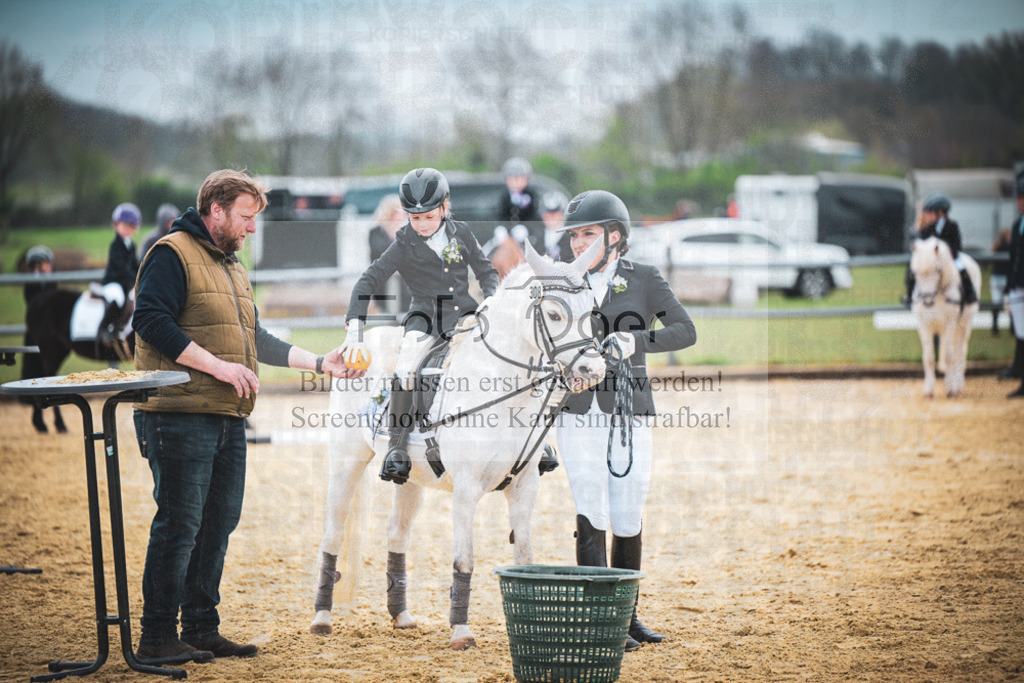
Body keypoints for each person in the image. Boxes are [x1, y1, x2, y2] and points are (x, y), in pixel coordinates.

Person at [131, 169, 347, 662]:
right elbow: (149, 321)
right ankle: (157, 635)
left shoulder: (231, 267)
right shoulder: (171, 254)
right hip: (179, 411)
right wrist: (218, 367)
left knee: (218, 523)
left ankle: (201, 627)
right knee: (181, 522)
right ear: (216, 210)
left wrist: (319, 364)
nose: (252, 228)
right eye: (246, 218)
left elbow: (257, 339)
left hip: (226, 413)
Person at [552, 190, 697, 651]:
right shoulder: (561, 280)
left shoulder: (645, 277)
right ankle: (599, 622)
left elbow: (685, 330)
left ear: (615, 236)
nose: (577, 244)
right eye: (574, 236)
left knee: (629, 510)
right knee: (591, 506)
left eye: (587, 234)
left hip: (629, 409)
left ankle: (626, 616)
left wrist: (637, 341)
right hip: (577, 411)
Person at [341, 168, 499, 485]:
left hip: (467, 315)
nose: (423, 225)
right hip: (424, 318)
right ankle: (397, 448)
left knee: (501, 355)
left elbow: (486, 271)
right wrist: (355, 326)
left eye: (428, 217)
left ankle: (527, 439)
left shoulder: (462, 233)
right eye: (415, 219)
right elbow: (367, 280)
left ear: (443, 208)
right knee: (406, 368)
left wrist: (492, 299)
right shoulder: (403, 243)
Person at [903, 192, 978, 306]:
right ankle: (910, 295)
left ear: (941, 212)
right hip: (932, 258)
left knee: (961, 266)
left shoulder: (952, 226)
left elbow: (956, 245)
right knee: (913, 269)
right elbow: (922, 242)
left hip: (949, 257)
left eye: (932, 212)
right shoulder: (928, 228)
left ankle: (969, 292)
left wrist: (947, 254)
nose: (929, 216)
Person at [368, 194, 412, 313]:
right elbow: (382, 254)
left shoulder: (403, 232)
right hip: (386, 285)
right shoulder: (376, 233)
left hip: (404, 286)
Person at [498, 157, 544, 254]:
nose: (515, 181)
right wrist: (502, 227)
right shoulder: (505, 196)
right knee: (492, 247)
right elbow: (502, 214)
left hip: (527, 233)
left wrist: (526, 227)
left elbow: (533, 215)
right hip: (509, 232)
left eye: (519, 178)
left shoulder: (531, 194)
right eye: (512, 178)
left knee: (536, 250)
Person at [1004, 176, 1024, 398]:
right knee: (1021, 333)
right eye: (1018, 198)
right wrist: (1008, 288)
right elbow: (1013, 260)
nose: (1020, 202)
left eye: (1022, 198)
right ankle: (1019, 373)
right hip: (1018, 286)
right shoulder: (1018, 224)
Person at [540, 190, 573, 262]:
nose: (551, 217)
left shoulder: (572, 236)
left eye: (555, 213)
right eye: (547, 214)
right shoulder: (536, 235)